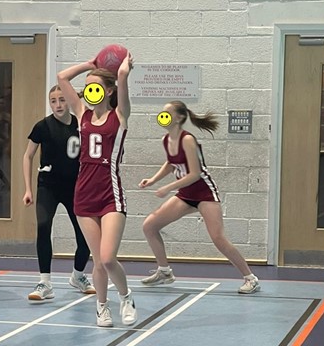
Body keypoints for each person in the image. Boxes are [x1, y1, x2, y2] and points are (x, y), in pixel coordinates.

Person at [139, 101, 261, 294]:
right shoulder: (166, 139)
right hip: (186, 194)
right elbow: (172, 163)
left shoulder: (188, 139)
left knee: (218, 238)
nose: (163, 116)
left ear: (178, 117)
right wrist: (153, 180)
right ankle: (164, 271)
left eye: (167, 113)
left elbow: (194, 174)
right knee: (150, 226)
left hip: (204, 193)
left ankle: (250, 278)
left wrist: (167, 187)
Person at [57, 54, 137, 328]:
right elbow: (62, 78)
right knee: (97, 262)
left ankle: (126, 297)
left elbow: (123, 90)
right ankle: (102, 308)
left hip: (110, 195)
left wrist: (123, 74)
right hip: (84, 195)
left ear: (109, 90)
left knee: (107, 257)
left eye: (96, 87)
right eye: (87, 87)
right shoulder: (82, 114)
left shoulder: (119, 116)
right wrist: (89, 65)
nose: (89, 91)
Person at [22, 85, 96, 301]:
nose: (58, 105)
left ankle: (78, 276)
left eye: (62, 100)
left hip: (75, 187)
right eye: (53, 101)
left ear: (70, 101)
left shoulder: (81, 124)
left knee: (85, 236)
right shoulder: (42, 126)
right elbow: (27, 156)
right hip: (48, 186)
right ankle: (44, 282)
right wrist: (28, 188)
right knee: (43, 227)